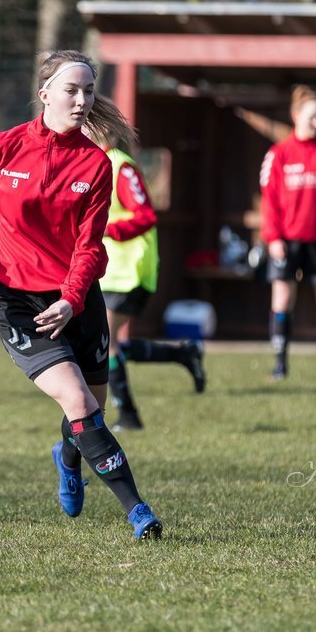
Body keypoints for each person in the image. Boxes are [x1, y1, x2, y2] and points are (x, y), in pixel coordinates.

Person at [0, 50, 162, 540]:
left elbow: (91, 248)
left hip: (77, 300)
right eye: (72, 90)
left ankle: (67, 458)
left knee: (89, 408)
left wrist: (72, 298)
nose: (82, 99)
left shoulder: (96, 164)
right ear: (44, 94)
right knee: (78, 401)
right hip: (19, 304)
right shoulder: (1, 148)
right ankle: (138, 511)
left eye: (89, 91)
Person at [82, 123, 206, 432]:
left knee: (104, 341)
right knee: (101, 343)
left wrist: (108, 230)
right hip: (108, 270)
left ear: (102, 132)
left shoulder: (120, 167)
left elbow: (145, 216)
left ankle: (129, 417)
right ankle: (182, 353)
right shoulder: (91, 164)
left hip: (129, 268)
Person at [259, 85, 316, 382]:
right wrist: (273, 238)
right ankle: (280, 366)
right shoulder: (279, 154)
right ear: (296, 115)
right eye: (313, 117)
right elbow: (269, 200)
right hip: (287, 242)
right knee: (282, 300)